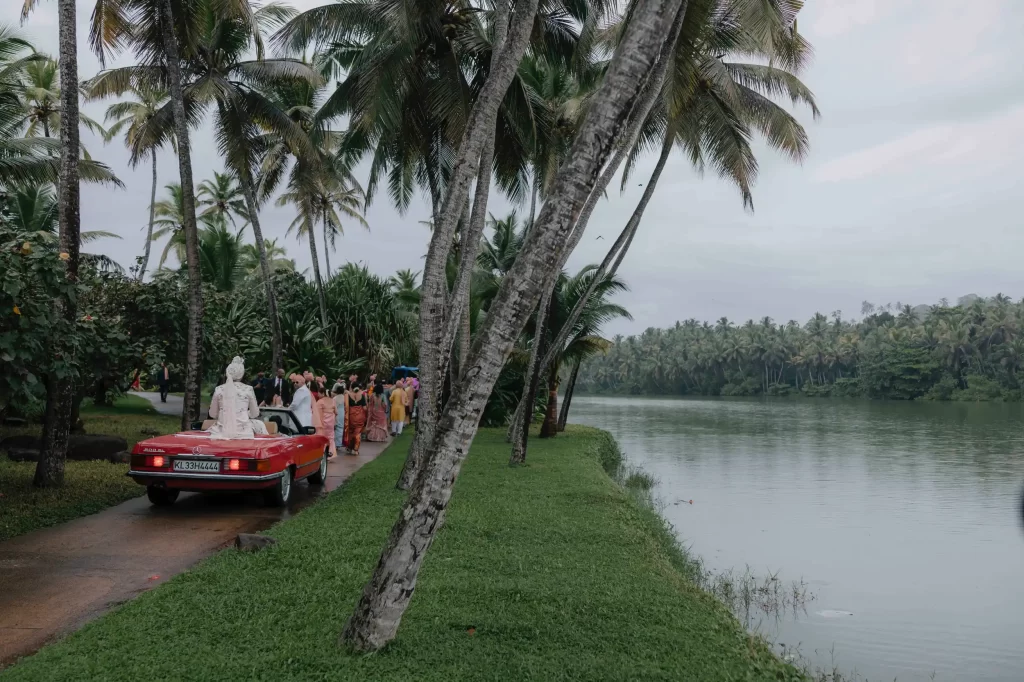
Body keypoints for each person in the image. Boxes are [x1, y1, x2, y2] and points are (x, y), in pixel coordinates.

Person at [207, 357, 268, 438]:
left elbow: (212, 414)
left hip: (222, 431)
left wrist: (227, 414)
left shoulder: (219, 389)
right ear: (241, 374)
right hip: (244, 432)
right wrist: (243, 413)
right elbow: (255, 413)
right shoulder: (248, 389)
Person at [345, 382, 368, 455]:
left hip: (351, 416)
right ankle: (355, 449)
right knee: (358, 432)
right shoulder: (362, 395)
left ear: (351, 387)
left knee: (351, 432)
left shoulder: (348, 395)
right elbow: (364, 408)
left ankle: (349, 447)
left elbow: (346, 407)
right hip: (360, 416)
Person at [314, 386, 338, 458]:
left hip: (323, 421)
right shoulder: (333, 400)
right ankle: (331, 452)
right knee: (330, 437)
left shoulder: (320, 401)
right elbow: (336, 412)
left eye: (318, 393)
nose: (318, 395)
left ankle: (323, 452)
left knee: (322, 436)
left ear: (322, 393)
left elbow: (316, 413)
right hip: (331, 421)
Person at [332, 382, 347, 452]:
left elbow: (333, 407)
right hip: (343, 413)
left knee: (336, 427)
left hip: (337, 412)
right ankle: (339, 443)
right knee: (341, 428)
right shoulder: (344, 397)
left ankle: (336, 443)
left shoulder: (335, 398)